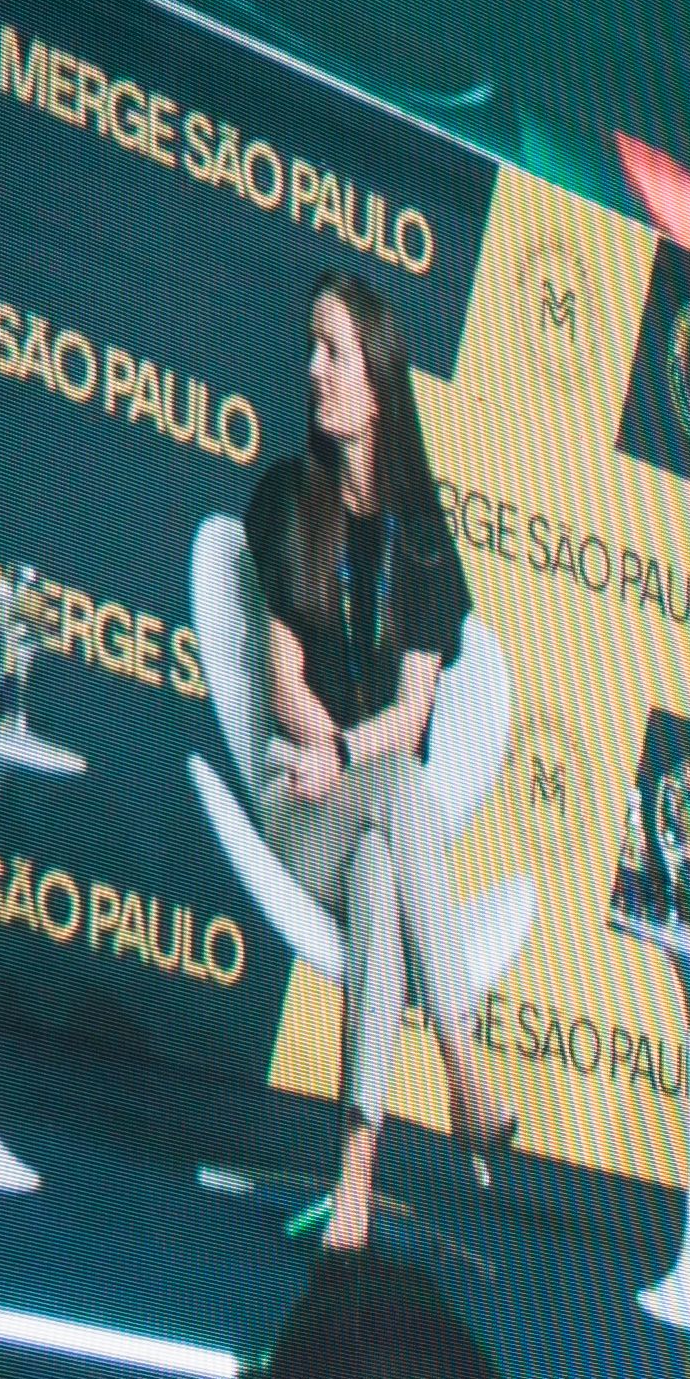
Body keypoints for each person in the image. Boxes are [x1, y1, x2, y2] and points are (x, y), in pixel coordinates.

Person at [247, 270, 513, 1261]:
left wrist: (347, 755)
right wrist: (327, 754)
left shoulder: (425, 542)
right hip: (297, 800)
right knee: (392, 799)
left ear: (378, 380)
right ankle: (462, 1062)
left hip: (360, 799)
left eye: (334, 351)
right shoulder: (288, 498)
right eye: (311, 348)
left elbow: (412, 716)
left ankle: (353, 1178)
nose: (313, 369)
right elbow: (283, 681)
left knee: (380, 864)